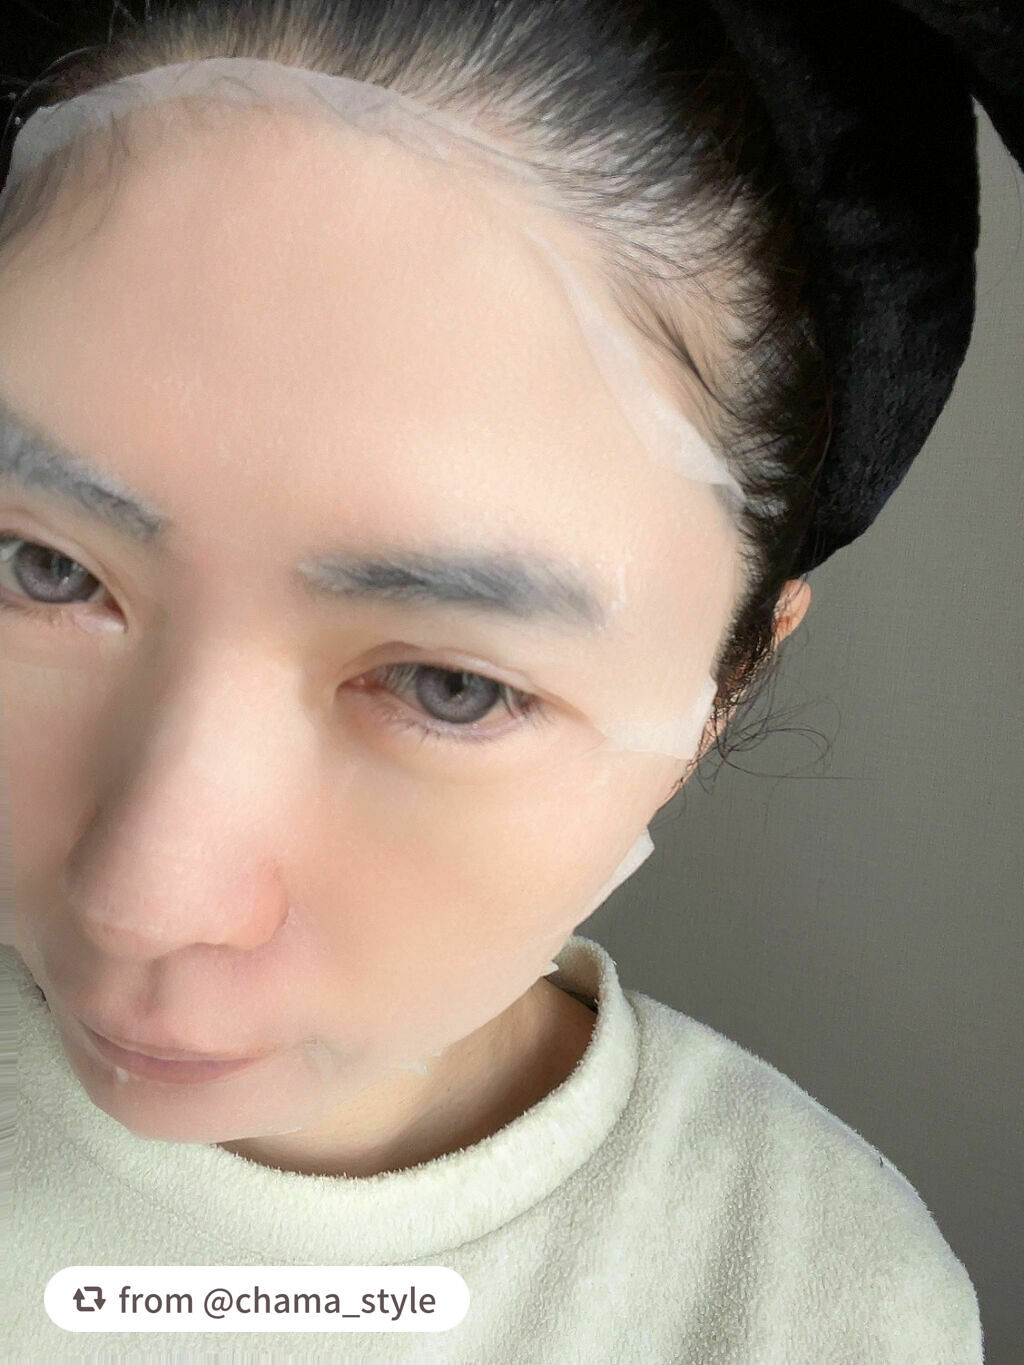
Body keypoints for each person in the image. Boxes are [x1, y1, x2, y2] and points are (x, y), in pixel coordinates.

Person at [0, 1, 988, 1360]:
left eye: (446, 685)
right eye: (45, 568)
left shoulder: (808, 1302)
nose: (142, 899)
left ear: (727, 684)